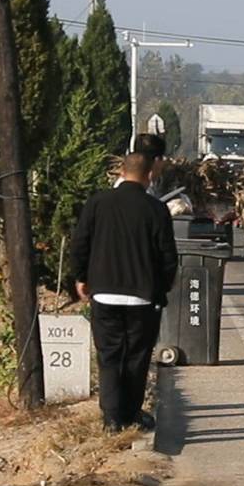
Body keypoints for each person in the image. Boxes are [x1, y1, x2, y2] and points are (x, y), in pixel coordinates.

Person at [65, 144, 179, 430]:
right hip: (142, 297)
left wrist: (81, 278)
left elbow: (80, 245)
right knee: (136, 357)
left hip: (103, 293)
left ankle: (111, 418)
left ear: (121, 171)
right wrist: (161, 289)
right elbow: (168, 257)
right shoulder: (156, 209)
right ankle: (131, 412)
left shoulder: (98, 203)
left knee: (109, 355)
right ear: (149, 175)